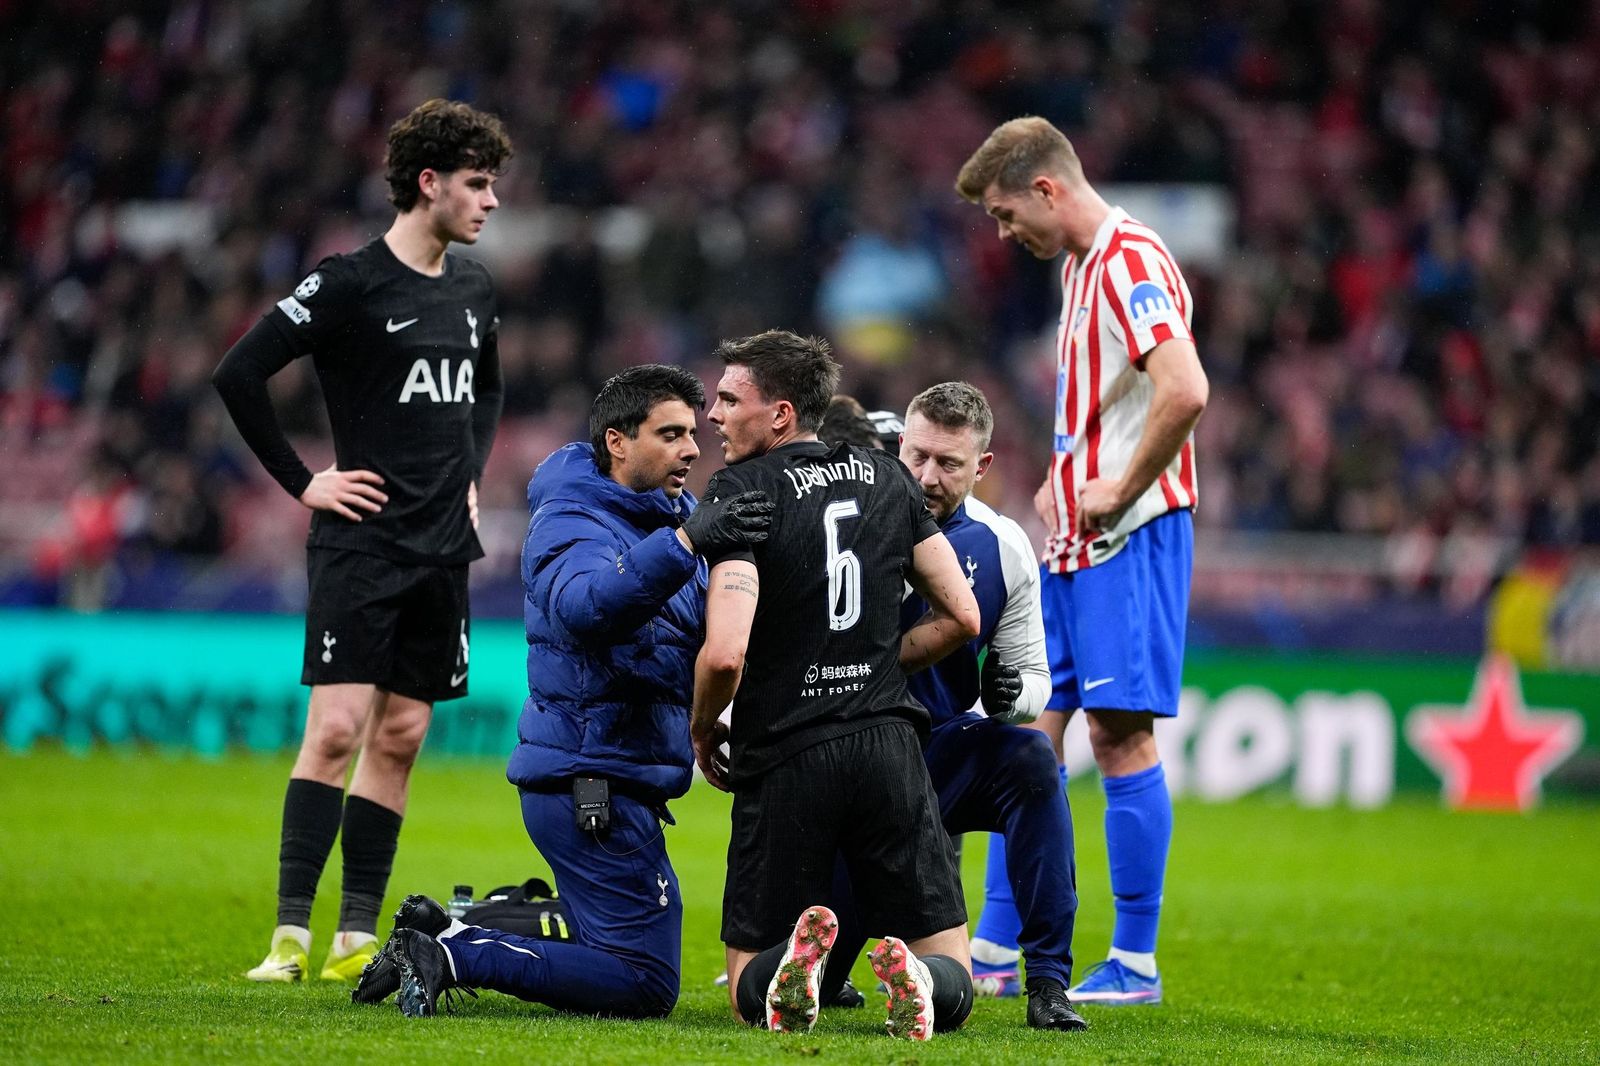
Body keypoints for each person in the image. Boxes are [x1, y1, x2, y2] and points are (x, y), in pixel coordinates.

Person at [355, 365, 774, 1017]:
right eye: (670, 434)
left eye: (693, 433)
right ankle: (452, 951)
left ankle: (470, 920)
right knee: (642, 981)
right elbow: (586, 608)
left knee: (612, 942)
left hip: (613, 776)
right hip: (590, 784)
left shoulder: (669, 516)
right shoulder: (572, 520)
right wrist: (688, 542)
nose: (692, 449)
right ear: (617, 441)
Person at [213, 99, 513, 983]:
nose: (491, 203)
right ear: (429, 183)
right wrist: (305, 481)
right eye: (478, 184)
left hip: (443, 545)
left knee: (404, 736)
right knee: (339, 729)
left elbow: (486, 390)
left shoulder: (475, 291)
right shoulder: (348, 282)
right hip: (360, 542)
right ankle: (288, 938)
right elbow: (239, 372)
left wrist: (469, 469)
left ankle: (352, 939)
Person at [955, 116, 1208, 1006]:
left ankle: (1134, 962)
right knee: (1027, 735)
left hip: (1129, 535)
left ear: (1046, 190)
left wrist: (1116, 487)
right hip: (1074, 539)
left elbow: (1186, 388)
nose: (1001, 231)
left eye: (1002, 212)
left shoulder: (1131, 259)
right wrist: (1067, 487)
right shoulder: (1080, 268)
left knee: (1119, 733)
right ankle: (989, 947)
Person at [689, 330, 981, 1042]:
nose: (715, 416)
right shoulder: (887, 478)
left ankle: (791, 969)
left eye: (730, 399)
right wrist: (878, 667)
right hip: (887, 744)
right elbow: (962, 615)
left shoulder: (741, 492)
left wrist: (703, 728)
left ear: (781, 415)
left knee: (745, 988)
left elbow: (726, 654)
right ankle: (917, 980)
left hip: (786, 750)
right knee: (954, 968)